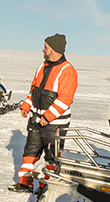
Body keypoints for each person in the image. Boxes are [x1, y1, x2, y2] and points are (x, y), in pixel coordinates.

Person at [9, 33, 78, 193]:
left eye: (45, 47)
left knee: (51, 157)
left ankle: (45, 187)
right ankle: (24, 183)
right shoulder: (42, 66)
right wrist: (27, 105)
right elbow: (33, 89)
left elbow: (65, 99)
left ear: (54, 49)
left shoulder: (68, 71)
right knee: (30, 153)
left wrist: (47, 116)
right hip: (36, 119)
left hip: (55, 123)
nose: (43, 50)